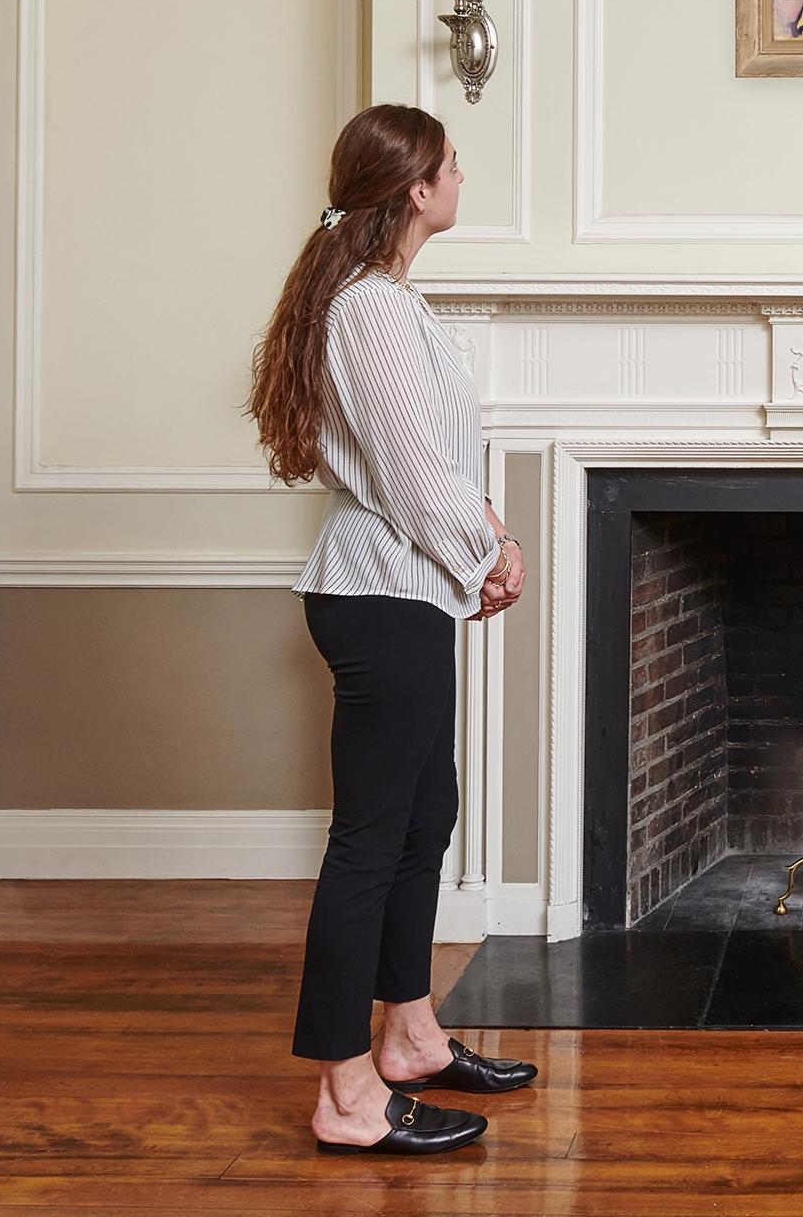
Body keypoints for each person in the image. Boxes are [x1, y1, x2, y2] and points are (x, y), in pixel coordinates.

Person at [246, 104, 537, 1157]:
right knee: (369, 841)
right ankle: (343, 1092)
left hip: (406, 586)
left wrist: (483, 532)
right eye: (453, 163)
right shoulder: (370, 308)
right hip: (381, 593)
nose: (464, 173)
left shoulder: (388, 302)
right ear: (415, 189)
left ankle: (409, 1036)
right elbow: (414, 476)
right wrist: (488, 553)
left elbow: (423, 460)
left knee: (424, 812)